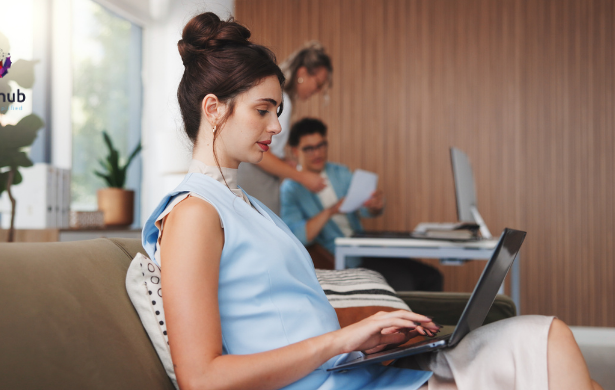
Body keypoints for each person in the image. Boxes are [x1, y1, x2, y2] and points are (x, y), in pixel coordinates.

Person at [142, 12, 602, 390]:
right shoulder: (193, 214)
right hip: (330, 382)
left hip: (353, 373)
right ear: (213, 109)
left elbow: (290, 316)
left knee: (547, 346)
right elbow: (201, 378)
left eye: (277, 112)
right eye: (263, 111)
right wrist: (344, 340)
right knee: (547, 344)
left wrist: (371, 332)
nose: (277, 127)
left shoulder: (246, 206)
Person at [281, 118, 444, 291]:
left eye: (321, 145)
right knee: (404, 281)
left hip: (364, 246)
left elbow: (365, 210)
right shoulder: (291, 189)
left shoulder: (339, 172)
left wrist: (374, 205)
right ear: (295, 151)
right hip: (341, 258)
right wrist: (331, 211)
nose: (317, 153)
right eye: (309, 149)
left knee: (432, 276)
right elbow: (297, 236)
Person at [237, 41, 333, 215]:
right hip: (256, 178)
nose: (317, 91)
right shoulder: (282, 102)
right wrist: (303, 177)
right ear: (302, 72)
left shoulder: (281, 100)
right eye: (318, 84)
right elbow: (259, 151)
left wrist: (281, 162)